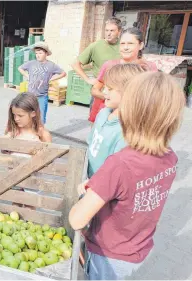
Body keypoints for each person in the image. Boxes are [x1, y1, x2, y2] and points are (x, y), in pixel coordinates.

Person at [69, 72, 185, 280]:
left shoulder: (120, 164)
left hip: (107, 254)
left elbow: (77, 220)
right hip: (138, 247)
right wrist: (101, 185)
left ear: (129, 111)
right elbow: (133, 190)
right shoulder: (170, 158)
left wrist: (86, 195)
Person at [87, 64, 146, 178]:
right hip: (89, 176)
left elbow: (117, 172)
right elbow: (90, 142)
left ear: (128, 92)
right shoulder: (103, 113)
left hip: (103, 187)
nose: (104, 91)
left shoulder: (126, 132)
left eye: (110, 89)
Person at [89, 27, 158, 123]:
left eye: (130, 43)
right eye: (122, 44)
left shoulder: (148, 68)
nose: (125, 47)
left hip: (134, 118)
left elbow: (153, 96)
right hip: (107, 115)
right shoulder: (110, 65)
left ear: (141, 45)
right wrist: (110, 98)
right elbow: (95, 90)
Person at [3, 93, 52, 209]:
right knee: (15, 205)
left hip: (33, 179)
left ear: (33, 113)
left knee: (31, 205)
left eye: (20, 115)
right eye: (14, 115)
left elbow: (50, 157)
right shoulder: (13, 132)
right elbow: (2, 149)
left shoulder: (42, 134)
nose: (16, 119)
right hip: (14, 176)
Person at [18, 42, 66, 124]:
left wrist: (52, 79)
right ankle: (30, 133)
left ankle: (40, 133)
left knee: (41, 118)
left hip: (42, 97)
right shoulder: (31, 63)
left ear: (46, 53)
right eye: (36, 53)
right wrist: (27, 75)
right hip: (30, 96)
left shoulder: (51, 65)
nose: (38, 55)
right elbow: (20, 68)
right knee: (28, 116)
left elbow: (63, 73)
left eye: (40, 53)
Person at [72, 17, 122, 86]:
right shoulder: (96, 46)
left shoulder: (124, 45)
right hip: (100, 88)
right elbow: (75, 64)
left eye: (112, 30)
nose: (108, 33)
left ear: (119, 31)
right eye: (106, 30)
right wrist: (88, 80)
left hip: (119, 87)